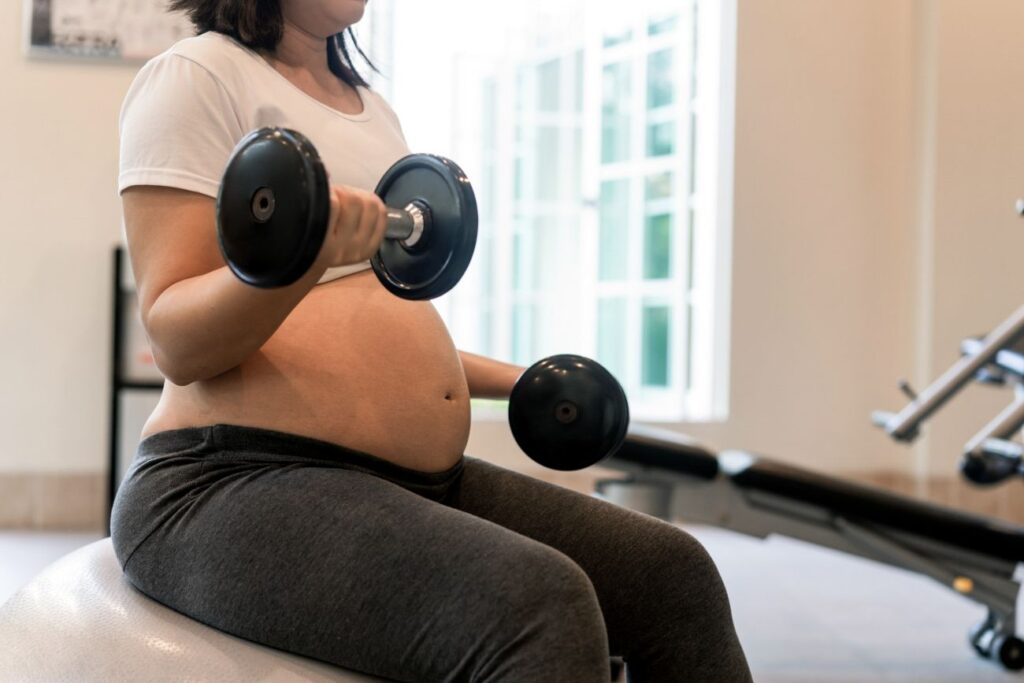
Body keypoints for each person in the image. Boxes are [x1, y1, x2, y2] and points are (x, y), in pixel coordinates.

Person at [109, 1, 753, 681]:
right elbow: (176, 337)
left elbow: (372, 322)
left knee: (671, 575)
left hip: (400, 481)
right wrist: (301, 261)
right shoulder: (197, 76)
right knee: (534, 601)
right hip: (226, 480)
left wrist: (521, 381)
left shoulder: (370, 108)